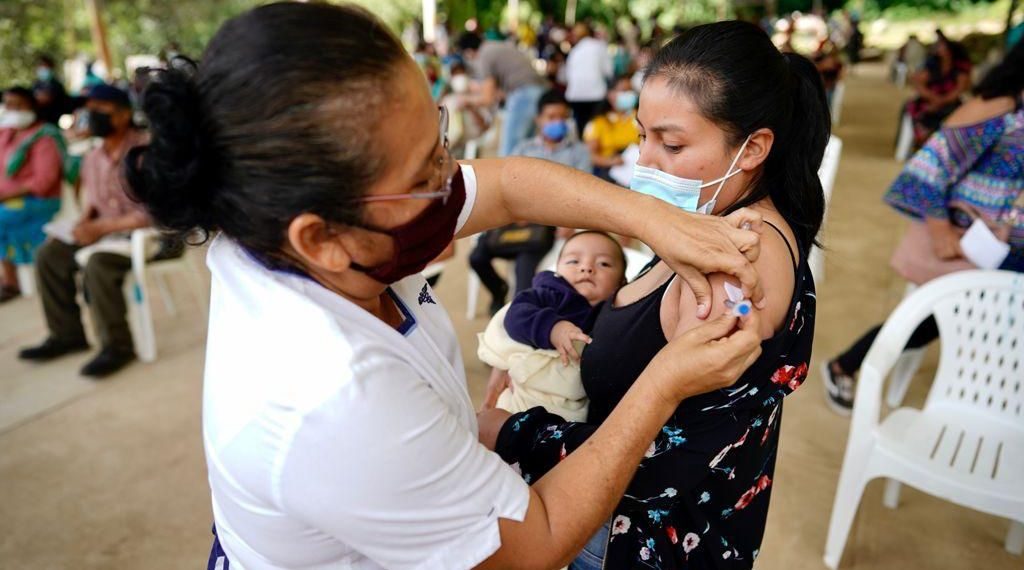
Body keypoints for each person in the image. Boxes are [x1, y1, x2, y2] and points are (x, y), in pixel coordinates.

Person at [123, 4, 768, 569]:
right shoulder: (332, 401)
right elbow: (532, 546)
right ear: (321, 238)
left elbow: (510, 185)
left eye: (440, 140)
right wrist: (664, 384)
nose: (450, 175)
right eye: (425, 170)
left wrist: (656, 219)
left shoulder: (309, 217)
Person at [480, 21, 830, 568]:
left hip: (628, 538)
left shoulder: (734, 268)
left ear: (755, 147)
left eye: (671, 143)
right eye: (642, 134)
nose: (644, 161)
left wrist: (509, 430)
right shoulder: (714, 225)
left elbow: (665, 460)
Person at [822, 41, 1024, 414]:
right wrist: (940, 230)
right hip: (973, 245)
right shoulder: (1002, 106)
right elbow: (928, 169)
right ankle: (845, 365)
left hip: (1006, 245)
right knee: (931, 318)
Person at [18, 84, 151, 378]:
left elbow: (157, 213)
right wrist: (82, 224)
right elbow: (94, 201)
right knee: (49, 255)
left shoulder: (146, 150)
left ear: (123, 114)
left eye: (99, 109)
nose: (90, 116)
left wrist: (101, 227)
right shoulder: (92, 157)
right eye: (88, 109)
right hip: (108, 233)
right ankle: (67, 335)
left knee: (98, 265)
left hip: (145, 237)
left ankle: (117, 346)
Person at [479, 231, 626, 422]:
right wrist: (553, 328)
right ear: (557, 269)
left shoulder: (613, 311)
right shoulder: (550, 294)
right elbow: (516, 315)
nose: (586, 268)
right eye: (573, 261)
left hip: (570, 407)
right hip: (525, 390)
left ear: (622, 282)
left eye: (604, 263)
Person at [470, 89, 592, 315]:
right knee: (477, 257)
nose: (557, 122)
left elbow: (582, 195)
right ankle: (498, 290)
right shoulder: (523, 150)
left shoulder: (579, 153)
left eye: (562, 117)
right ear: (539, 120)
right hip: (515, 220)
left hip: (546, 225)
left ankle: (521, 319)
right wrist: (515, 213)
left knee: (524, 271)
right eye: (551, 117)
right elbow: (505, 189)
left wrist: (567, 221)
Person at [0, 86, 65, 303]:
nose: (12, 110)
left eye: (18, 105)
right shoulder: (6, 134)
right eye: (9, 105)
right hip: (10, 200)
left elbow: (44, 181)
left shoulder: (45, 136)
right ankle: (9, 280)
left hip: (39, 201)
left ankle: (11, 282)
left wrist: (6, 196)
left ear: (32, 106)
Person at [456, 31, 548, 157]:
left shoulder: (484, 55)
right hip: (539, 91)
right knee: (526, 149)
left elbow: (487, 98)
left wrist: (466, 100)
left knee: (509, 151)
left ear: (468, 52)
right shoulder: (494, 47)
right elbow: (497, 93)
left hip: (524, 93)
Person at [906, 31, 973, 147]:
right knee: (917, 111)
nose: (939, 48)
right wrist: (933, 98)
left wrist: (941, 101)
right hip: (930, 101)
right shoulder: (932, 65)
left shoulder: (959, 68)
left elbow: (959, 89)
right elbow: (918, 83)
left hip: (950, 103)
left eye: (942, 46)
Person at [583, 75, 640, 181]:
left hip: (638, 173)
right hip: (608, 175)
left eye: (630, 90)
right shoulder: (598, 122)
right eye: (624, 91)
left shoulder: (640, 117)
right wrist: (611, 161)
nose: (629, 94)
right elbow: (590, 155)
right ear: (610, 95)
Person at [564, 22, 613, 138]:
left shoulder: (574, 51)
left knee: (582, 131)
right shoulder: (599, 47)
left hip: (575, 96)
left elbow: (568, 76)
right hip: (596, 95)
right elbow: (608, 71)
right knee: (595, 129)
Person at [32, 55, 71, 125]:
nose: (43, 69)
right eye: (41, 66)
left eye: (46, 66)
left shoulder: (57, 85)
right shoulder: (36, 84)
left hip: (53, 119)